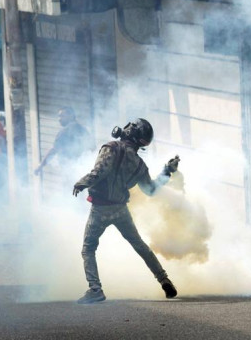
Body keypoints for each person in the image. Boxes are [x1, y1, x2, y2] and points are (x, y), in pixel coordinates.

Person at [72, 118, 179, 304]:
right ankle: (164, 280)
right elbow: (151, 190)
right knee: (139, 245)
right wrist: (166, 171)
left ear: (131, 132)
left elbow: (99, 172)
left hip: (100, 209)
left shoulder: (111, 148)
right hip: (120, 209)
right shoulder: (139, 165)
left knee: (88, 249)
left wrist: (81, 183)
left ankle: (95, 289)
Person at [34, 107, 93, 175]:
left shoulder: (65, 131)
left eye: (62, 116)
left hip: (70, 171)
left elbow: (53, 151)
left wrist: (40, 166)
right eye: (59, 116)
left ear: (71, 116)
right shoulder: (83, 129)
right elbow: (92, 148)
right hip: (83, 171)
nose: (59, 119)